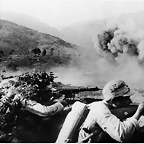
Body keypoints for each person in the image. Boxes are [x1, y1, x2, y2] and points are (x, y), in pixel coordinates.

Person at [78, 79, 144, 143]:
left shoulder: (109, 108)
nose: (130, 101)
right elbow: (122, 135)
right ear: (115, 101)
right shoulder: (100, 110)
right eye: (126, 98)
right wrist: (139, 112)